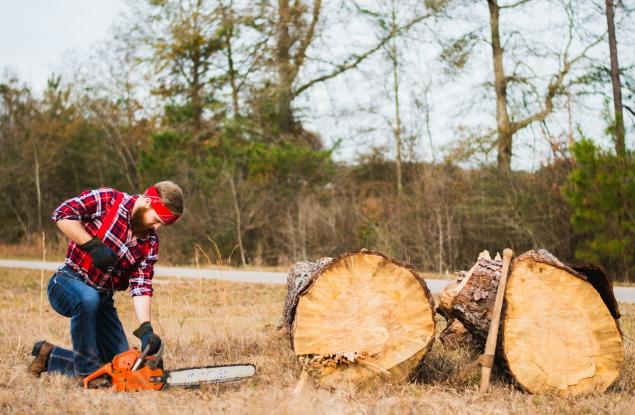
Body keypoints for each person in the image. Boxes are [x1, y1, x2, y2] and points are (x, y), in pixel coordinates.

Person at [27, 181, 184, 386]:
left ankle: (48, 356)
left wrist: (146, 328)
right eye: (156, 220)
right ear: (147, 201)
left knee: (120, 370)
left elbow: (141, 283)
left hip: (102, 299)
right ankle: (87, 375)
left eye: (163, 224)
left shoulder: (150, 242)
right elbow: (62, 214)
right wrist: (91, 245)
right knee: (88, 298)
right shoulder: (108, 200)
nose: (156, 227)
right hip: (67, 281)